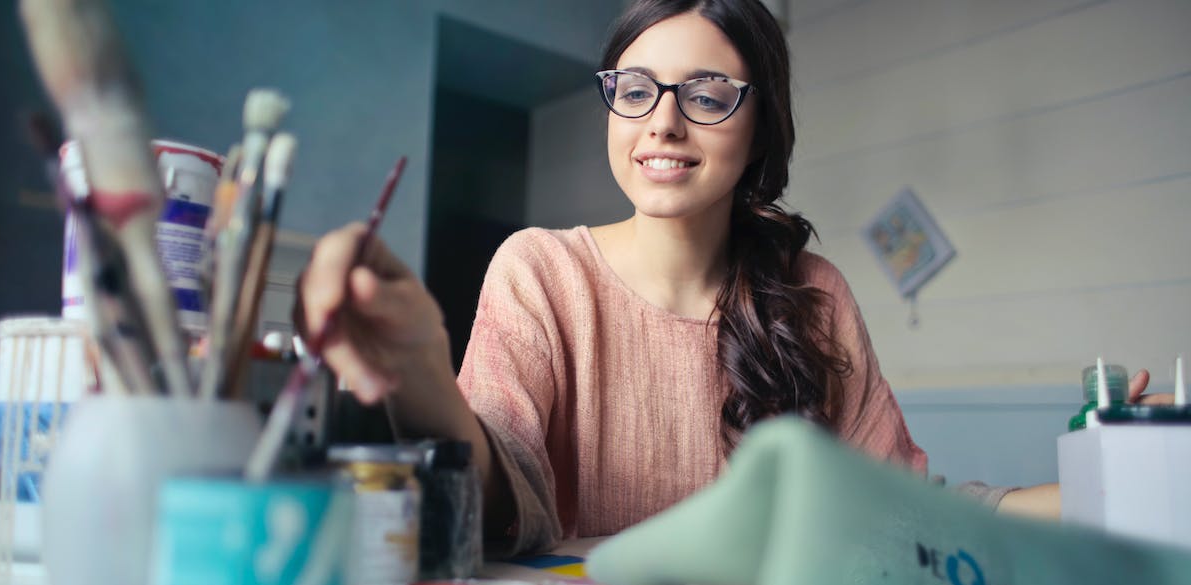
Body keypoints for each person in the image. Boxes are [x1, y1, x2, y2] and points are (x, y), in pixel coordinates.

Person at [297, 0, 1163, 555]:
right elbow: (498, 499)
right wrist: (420, 372)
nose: (664, 121)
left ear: (759, 126)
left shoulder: (811, 293)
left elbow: (906, 512)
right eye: (635, 88)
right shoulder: (540, 270)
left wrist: (1121, 473)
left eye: (708, 93)